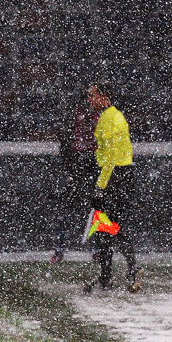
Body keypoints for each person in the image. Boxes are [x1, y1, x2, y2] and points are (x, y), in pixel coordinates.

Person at [86, 82, 141, 292]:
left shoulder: (110, 119)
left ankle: (116, 275)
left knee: (108, 228)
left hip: (115, 177)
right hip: (119, 177)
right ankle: (121, 273)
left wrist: (100, 187)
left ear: (104, 97)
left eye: (93, 96)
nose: (90, 100)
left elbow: (109, 157)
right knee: (109, 227)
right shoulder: (112, 116)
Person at [51, 92, 99, 264]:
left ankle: (97, 249)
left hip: (93, 164)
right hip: (76, 164)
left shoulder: (100, 115)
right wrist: (68, 169)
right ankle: (59, 249)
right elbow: (64, 142)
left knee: (96, 209)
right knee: (65, 208)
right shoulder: (73, 116)